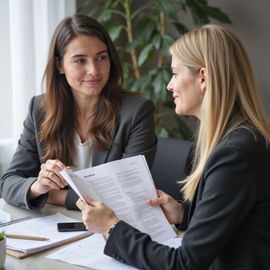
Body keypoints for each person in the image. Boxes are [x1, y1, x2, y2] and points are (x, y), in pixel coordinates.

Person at [76, 24, 270, 269]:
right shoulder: (238, 139)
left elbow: (184, 264)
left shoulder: (235, 154)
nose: (169, 85)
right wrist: (182, 214)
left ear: (203, 77)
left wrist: (111, 227)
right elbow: (236, 220)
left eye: (175, 73)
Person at [0, 14, 156, 210]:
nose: (93, 70)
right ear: (59, 65)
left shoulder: (136, 112)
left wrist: (53, 196)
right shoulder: (39, 109)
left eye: (101, 57)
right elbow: (8, 183)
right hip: (58, 228)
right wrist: (39, 186)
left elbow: (127, 193)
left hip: (115, 228)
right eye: (80, 60)